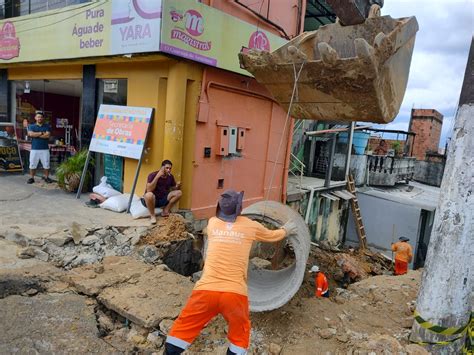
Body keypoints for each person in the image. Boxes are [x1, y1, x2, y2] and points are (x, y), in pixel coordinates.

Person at [164, 190, 298, 355]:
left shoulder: (213, 223)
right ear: (240, 208)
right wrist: (286, 230)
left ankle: (170, 352)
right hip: (234, 294)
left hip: (205, 291)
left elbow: (209, 230)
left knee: (182, 328)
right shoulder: (251, 225)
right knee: (240, 335)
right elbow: (273, 236)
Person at [142, 159, 182, 224]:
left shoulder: (170, 176)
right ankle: (152, 215)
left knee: (179, 192)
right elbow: (149, 190)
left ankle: (165, 210)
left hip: (162, 199)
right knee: (148, 195)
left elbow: (173, 188)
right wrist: (158, 176)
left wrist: (177, 186)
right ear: (162, 167)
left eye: (170, 168)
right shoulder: (152, 175)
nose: (168, 170)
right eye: (167, 168)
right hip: (152, 200)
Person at [27, 111, 52, 184]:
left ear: (43, 118)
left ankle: (46, 177)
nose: (39, 118)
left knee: (46, 165)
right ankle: (32, 178)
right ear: (35, 118)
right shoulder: (31, 126)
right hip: (34, 149)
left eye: (41, 117)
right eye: (38, 117)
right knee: (32, 164)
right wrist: (41, 133)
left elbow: (47, 135)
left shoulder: (47, 126)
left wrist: (36, 134)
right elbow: (30, 134)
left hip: (45, 149)